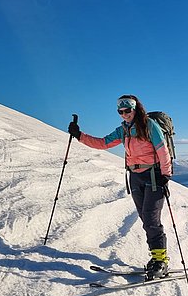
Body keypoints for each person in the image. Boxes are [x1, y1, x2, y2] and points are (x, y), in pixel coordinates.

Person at [68, 94, 173, 280]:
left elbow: (162, 149)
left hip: (154, 177)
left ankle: (161, 262)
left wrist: (165, 174)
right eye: (120, 112)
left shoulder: (149, 125)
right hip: (135, 177)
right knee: (145, 217)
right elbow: (103, 143)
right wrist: (79, 135)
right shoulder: (123, 129)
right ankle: (156, 257)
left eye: (127, 110)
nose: (124, 114)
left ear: (135, 109)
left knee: (151, 218)